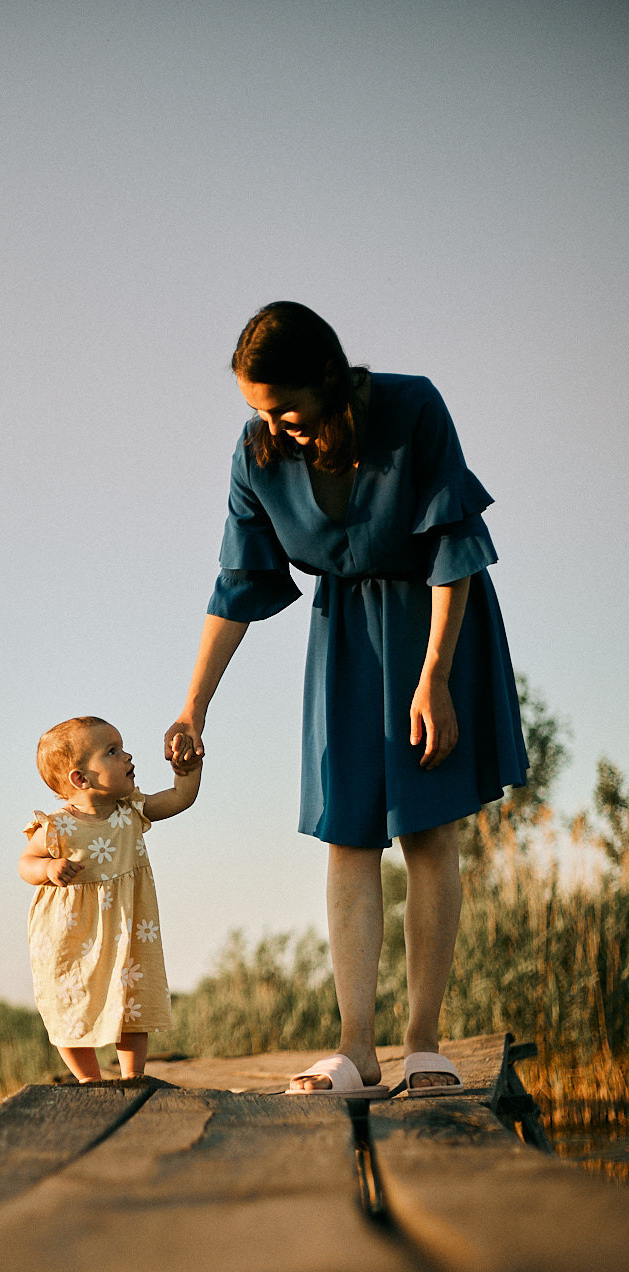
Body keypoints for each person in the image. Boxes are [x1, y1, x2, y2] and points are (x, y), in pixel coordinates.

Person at [165, 302, 528, 1096]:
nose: (273, 425)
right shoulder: (257, 451)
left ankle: (423, 1043)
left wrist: (436, 676)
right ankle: (356, 1050)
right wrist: (194, 706)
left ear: (327, 374)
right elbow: (237, 583)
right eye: (259, 409)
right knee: (348, 834)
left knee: (428, 830)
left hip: (435, 623)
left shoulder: (412, 407)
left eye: (285, 406)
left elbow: (455, 545)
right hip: (345, 639)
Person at [21, 716, 201, 1082]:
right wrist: (49, 868)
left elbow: (180, 798)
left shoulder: (130, 811)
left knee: (132, 998)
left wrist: (188, 771)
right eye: (113, 751)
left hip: (126, 926)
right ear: (80, 779)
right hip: (71, 935)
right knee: (67, 1003)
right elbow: (26, 863)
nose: (127, 756)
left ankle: (133, 1076)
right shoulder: (58, 826)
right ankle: (89, 1079)